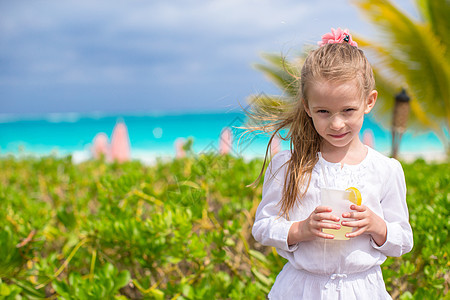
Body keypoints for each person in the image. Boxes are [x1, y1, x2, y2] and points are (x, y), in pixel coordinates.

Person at [250, 28, 413, 299]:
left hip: (362, 290)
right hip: (302, 289)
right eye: (323, 112)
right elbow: (263, 227)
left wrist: (376, 225)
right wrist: (300, 229)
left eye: (348, 110)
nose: (336, 124)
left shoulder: (386, 169)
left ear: (368, 101)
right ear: (306, 106)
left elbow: (404, 240)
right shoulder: (289, 164)